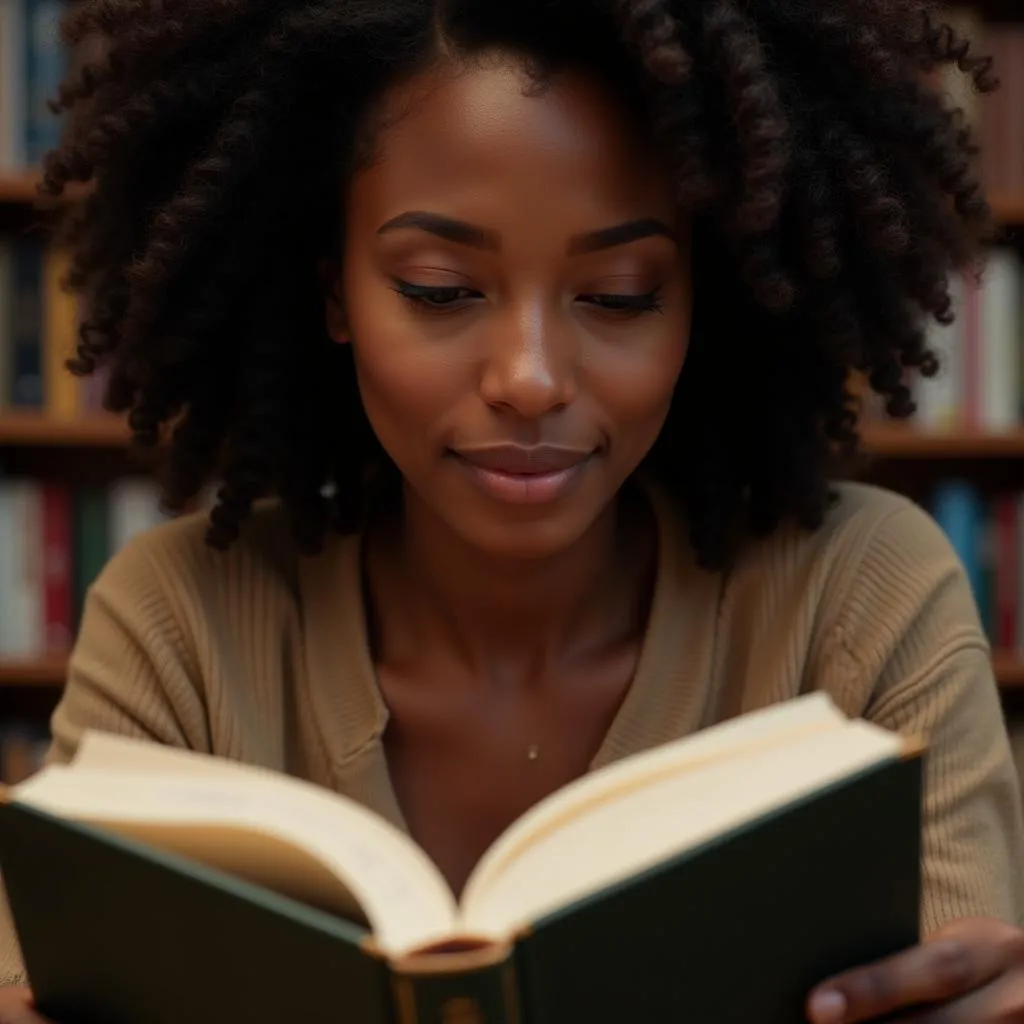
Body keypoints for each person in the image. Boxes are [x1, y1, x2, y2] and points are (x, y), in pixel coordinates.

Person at [1, 0, 1023, 1020]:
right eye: (440, 288)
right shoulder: (181, 629)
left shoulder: (861, 602)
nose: (529, 379)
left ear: (700, 300)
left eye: (619, 292)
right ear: (334, 293)